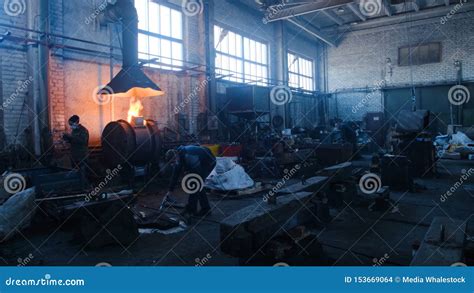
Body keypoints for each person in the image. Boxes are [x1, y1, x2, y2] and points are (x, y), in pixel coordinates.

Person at [165, 145, 216, 217]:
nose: (173, 164)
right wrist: (170, 191)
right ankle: (204, 209)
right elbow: (175, 175)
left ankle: (192, 209)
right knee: (197, 186)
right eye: (171, 163)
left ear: (176, 156)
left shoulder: (189, 156)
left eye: (173, 161)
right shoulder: (178, 158)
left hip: (209, 161)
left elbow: (197, 174)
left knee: (196, 184)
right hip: (200, 160)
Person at [63, 115, 89, 186]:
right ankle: (77, 185)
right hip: (74, 155)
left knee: (82, 173)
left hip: (82, 156)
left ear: (76, 122)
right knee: (75, 172)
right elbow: (73, 141)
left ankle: (83, 186)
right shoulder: (74, 131)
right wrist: (67, 139)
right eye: (70, 124)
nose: (70, 126)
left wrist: (71, 137)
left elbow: (83, 141)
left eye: (71, 124)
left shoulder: (83, 131)